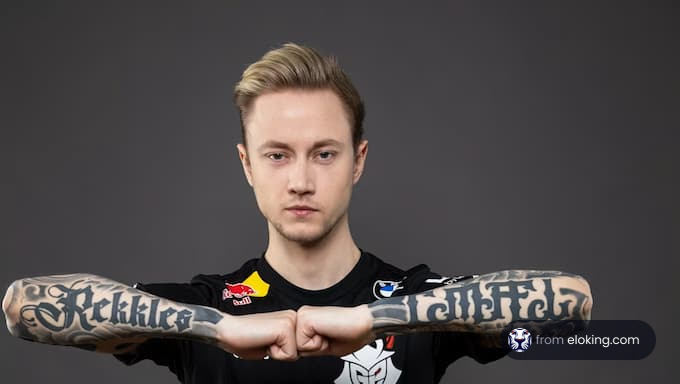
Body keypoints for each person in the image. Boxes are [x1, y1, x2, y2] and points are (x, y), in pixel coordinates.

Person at [2, 43, 592, 384]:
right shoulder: (203, 307)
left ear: (358, 161)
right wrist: (218, 328)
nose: (302, 180)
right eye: (277, 156)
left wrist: (375, 321)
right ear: (247, 165)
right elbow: (24, 308)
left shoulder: (416, 302)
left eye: (325, 154)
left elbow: (573, 301)